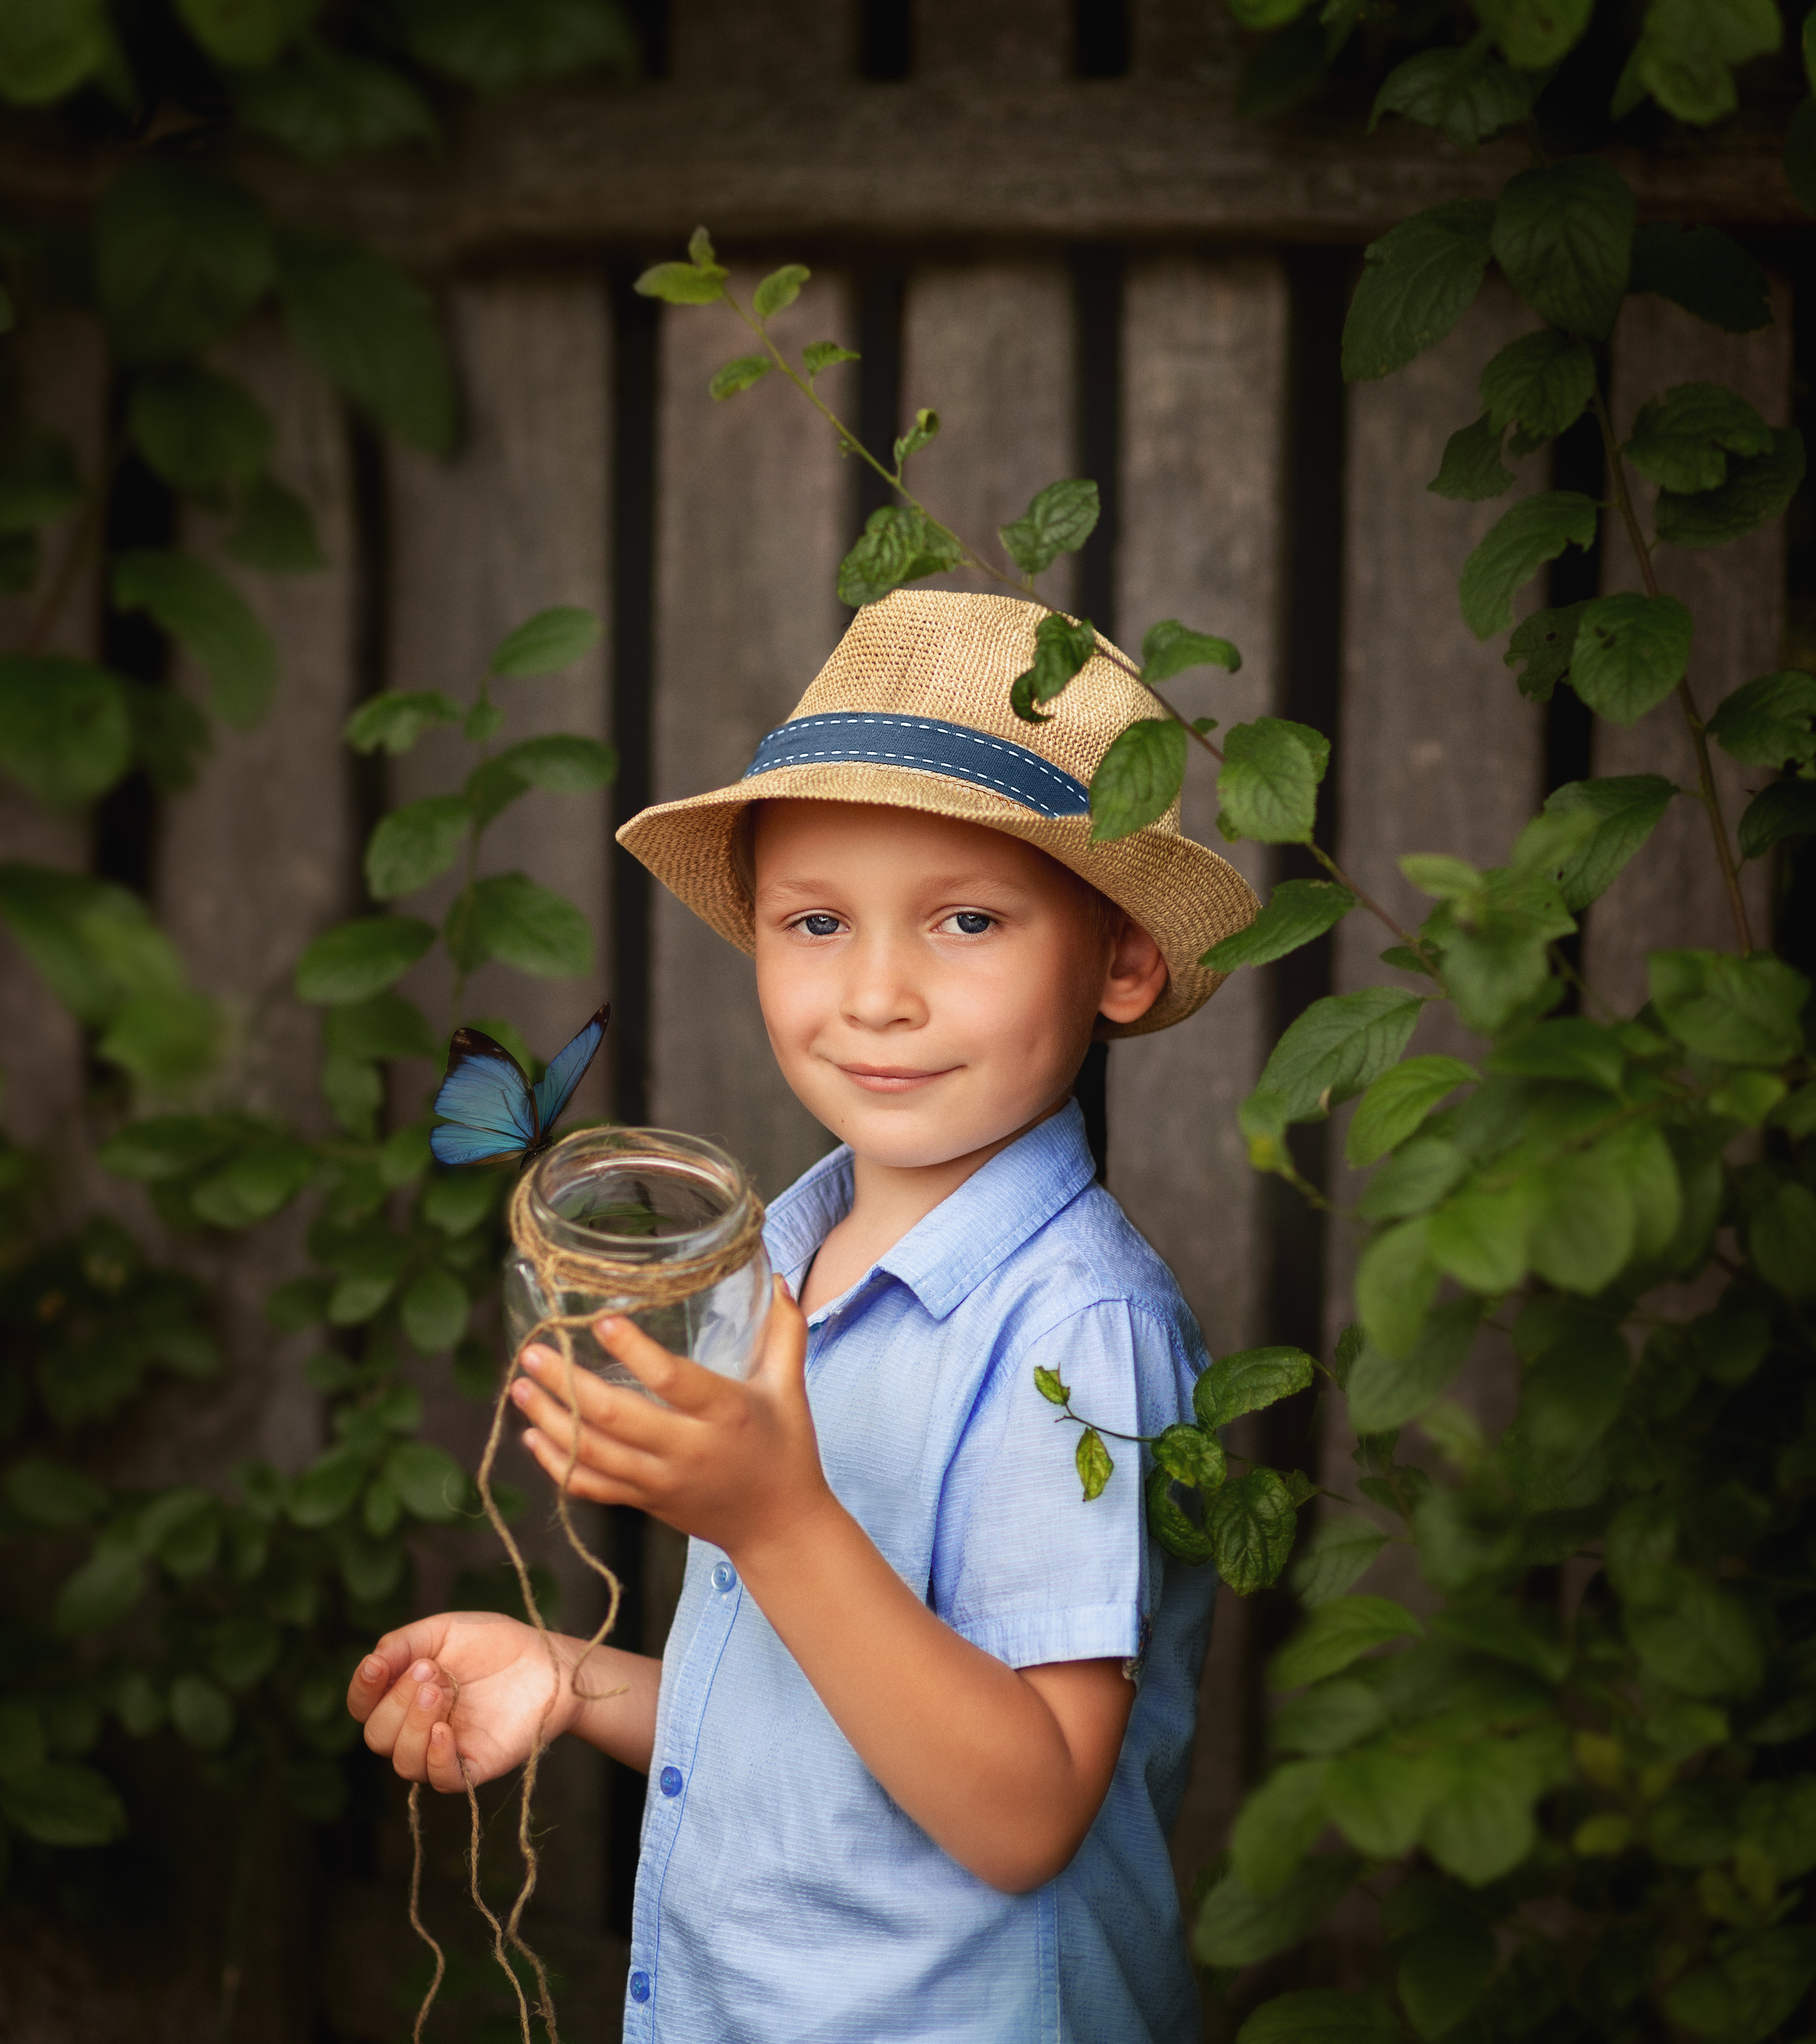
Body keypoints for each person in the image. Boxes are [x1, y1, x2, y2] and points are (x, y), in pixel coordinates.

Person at [347, 588, 1259, 2043]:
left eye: (967, 919)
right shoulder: (780, 1260)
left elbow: (1020, 1807)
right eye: (816, 921)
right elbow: (825, 1723)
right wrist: (572, 1679)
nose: (877, 994)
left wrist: (775, 1518)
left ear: (1119, 963)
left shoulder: (1072, 1328)